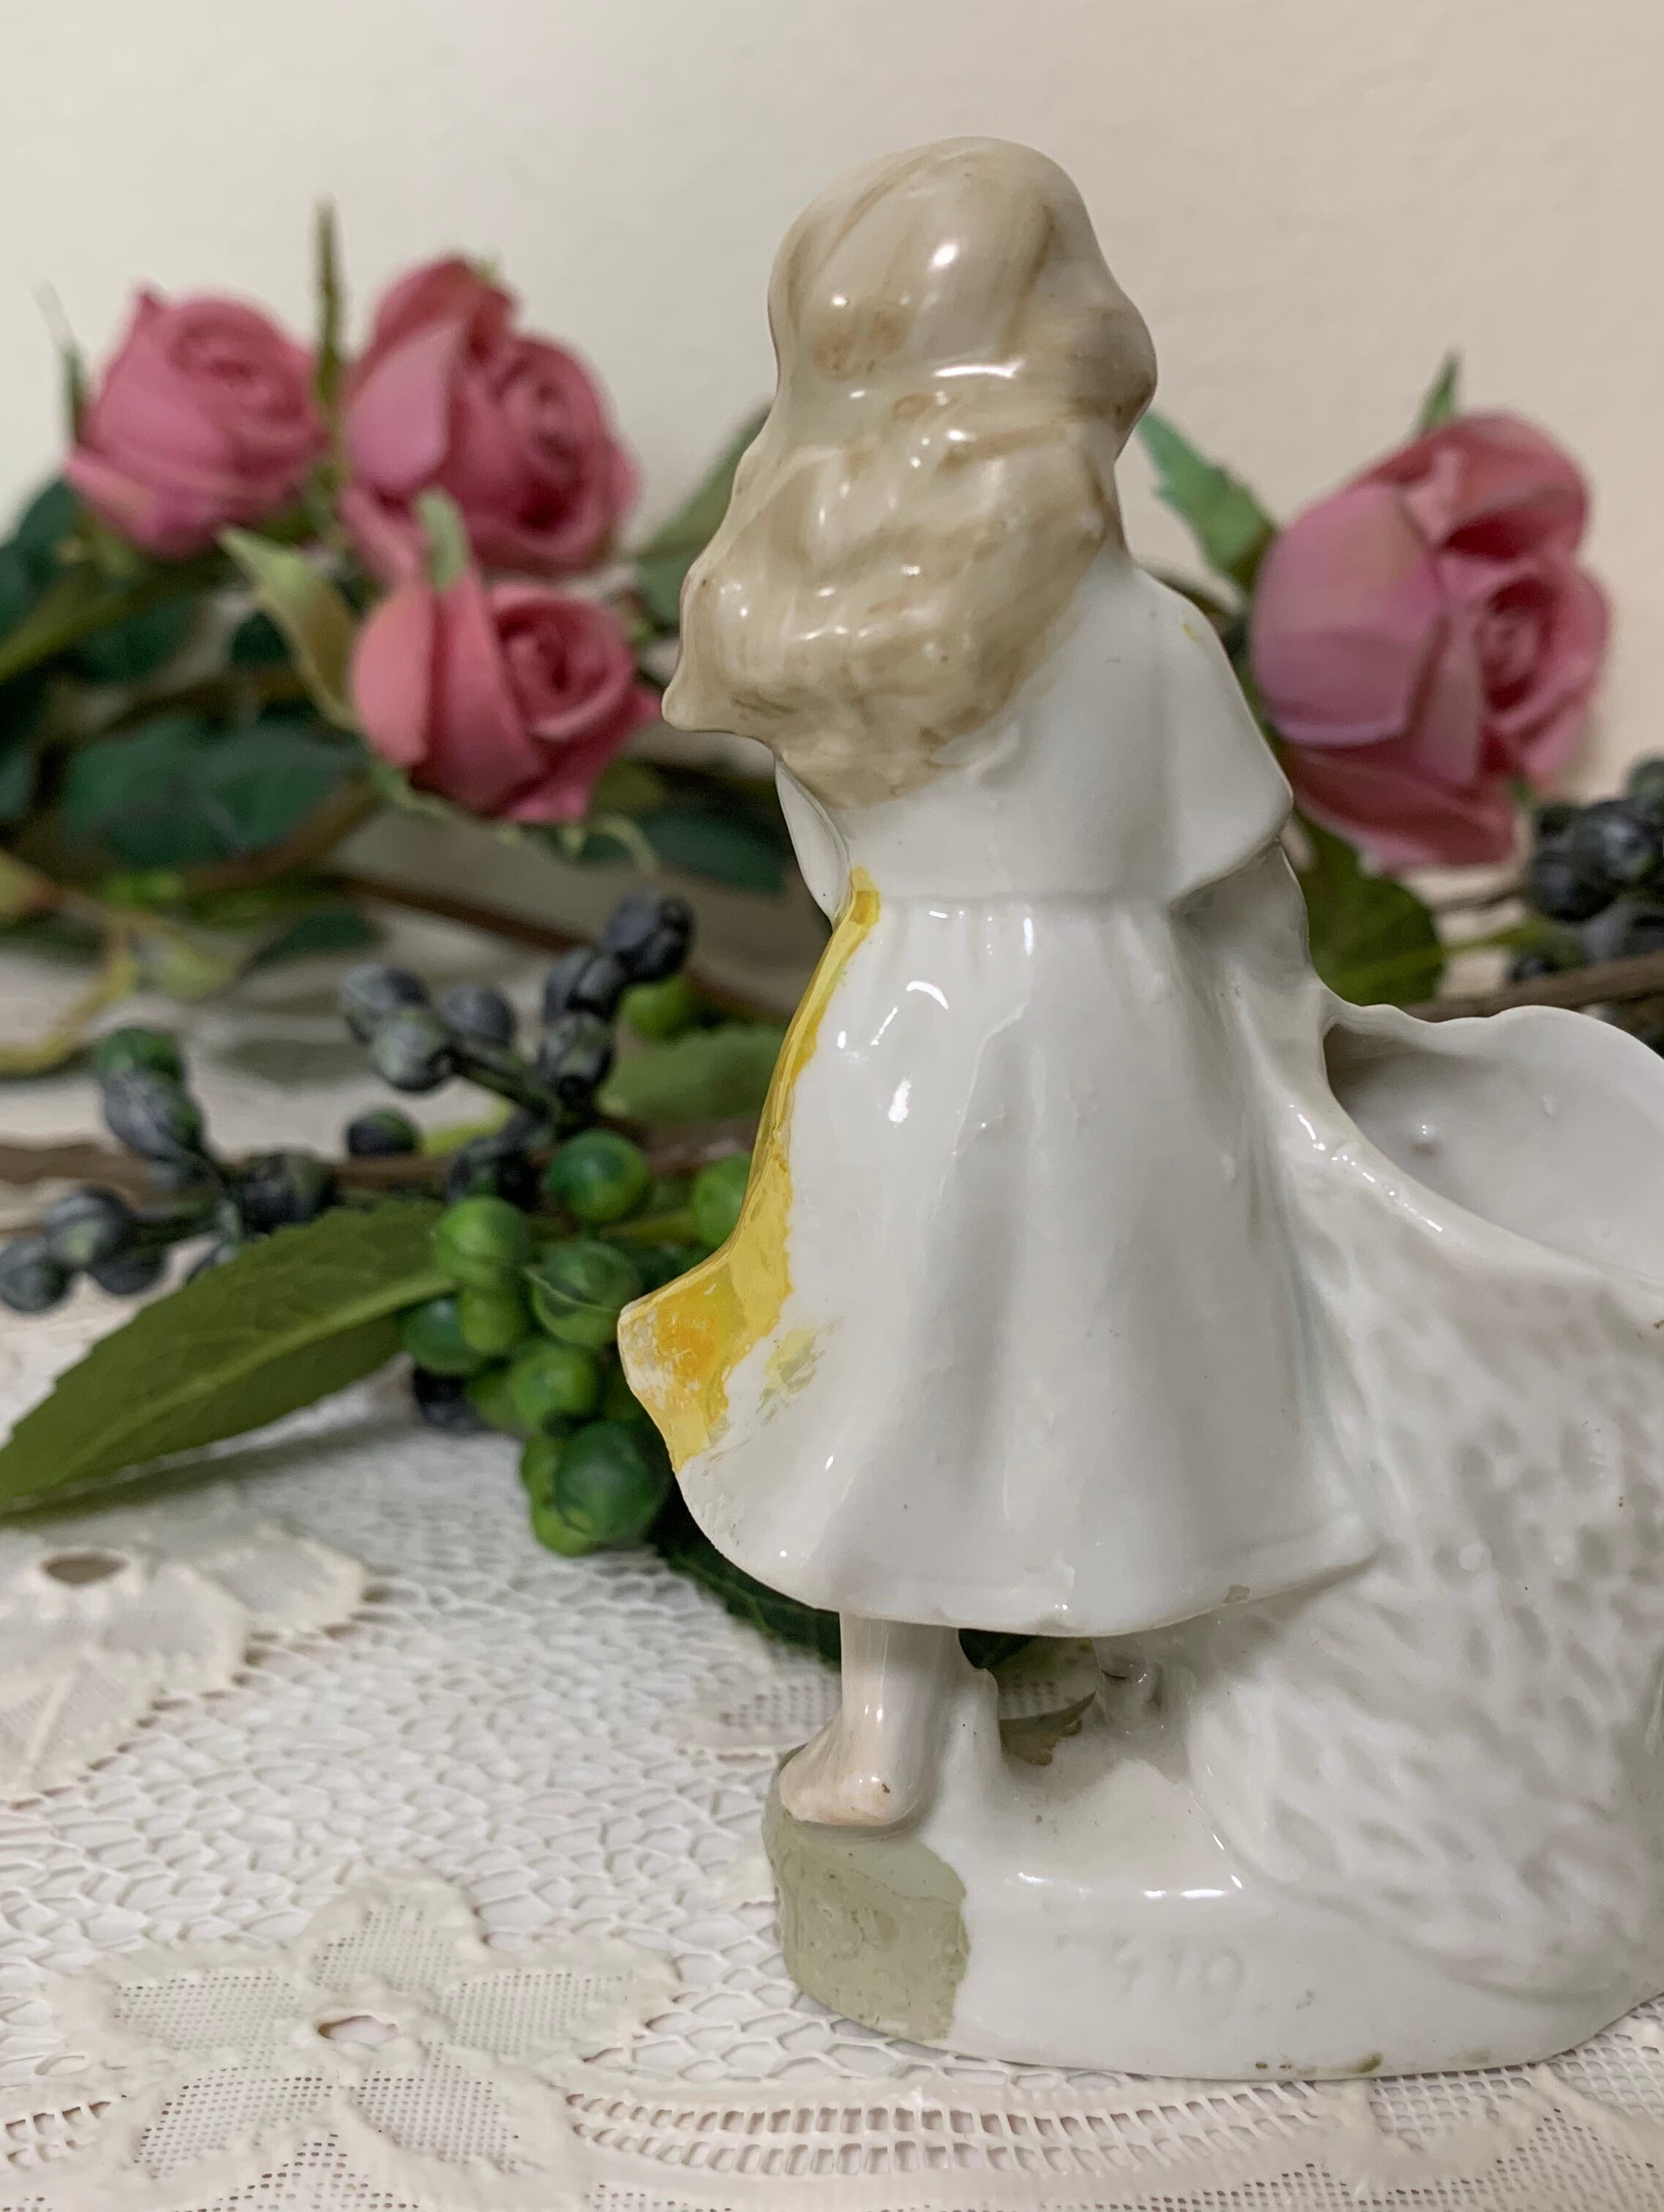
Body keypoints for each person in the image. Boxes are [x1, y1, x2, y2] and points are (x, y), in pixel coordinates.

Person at [619, 138, 1374, 1829]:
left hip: (896, 1031)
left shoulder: (836, 665)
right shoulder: (1152, 644)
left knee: (898, 1371)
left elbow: (835, 875)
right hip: (1121, 1042)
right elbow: (1239, 879)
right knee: (1132, 1359)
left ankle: (892, 1725)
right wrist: (1288, 1042)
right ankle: (1181, 1675)